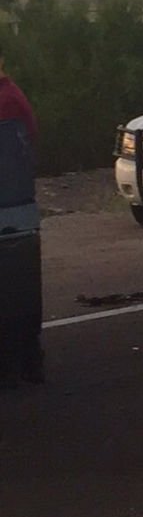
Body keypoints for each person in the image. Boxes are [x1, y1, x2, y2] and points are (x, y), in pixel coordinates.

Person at [0, 56, 43, 386]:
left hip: (10, 208)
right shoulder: (12, 95)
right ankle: (26, 361)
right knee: (20, 296)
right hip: (15, 210)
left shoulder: (7, 99)